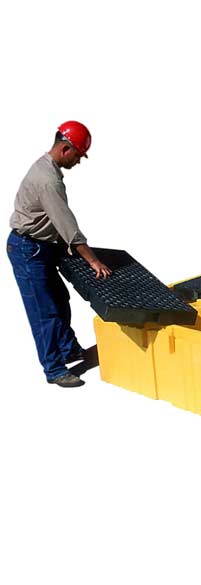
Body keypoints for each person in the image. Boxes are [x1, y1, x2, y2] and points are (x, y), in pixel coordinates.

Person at [7, 121, 112, 388]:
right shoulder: (48, 180)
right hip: (28, 250)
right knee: (45, 312)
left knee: (60, 300)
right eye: (78, 155)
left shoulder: (48, 169)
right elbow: (68, 227)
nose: (79, 161)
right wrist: (93, 260)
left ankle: (69, 350)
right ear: (65, 149)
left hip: (42, 247)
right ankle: (54, 369)